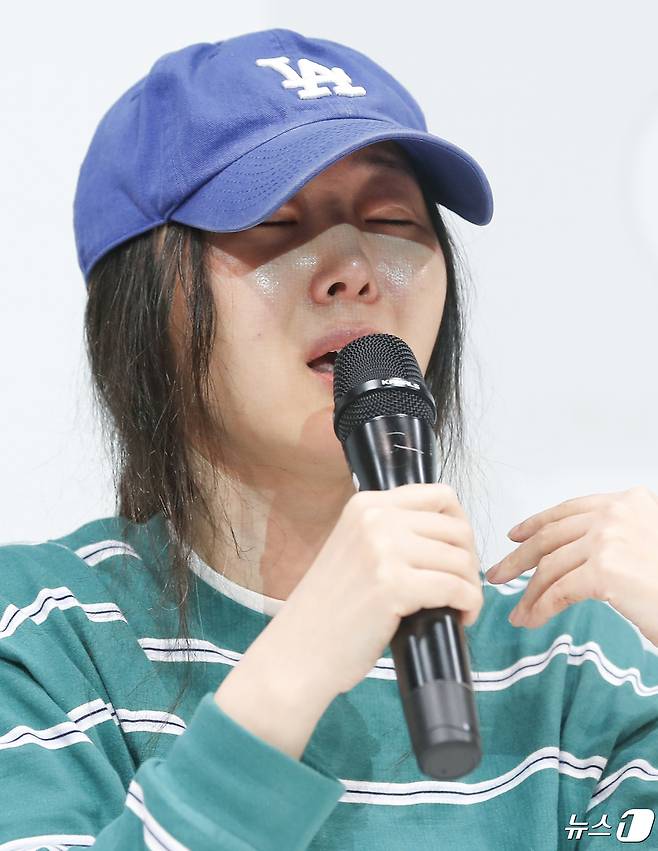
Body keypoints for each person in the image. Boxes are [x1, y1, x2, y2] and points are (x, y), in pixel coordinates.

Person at [1, 26, 657, 851]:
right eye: (273, 221)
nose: (353, 267)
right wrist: (290, 674)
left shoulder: (574, 666)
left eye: (392, 218)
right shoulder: (47, 630)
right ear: (139, 309)